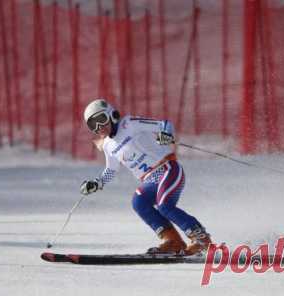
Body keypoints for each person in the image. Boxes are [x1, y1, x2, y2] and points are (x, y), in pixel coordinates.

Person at [80, 98, 212, 255]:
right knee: (139, 202)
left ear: (112, 114)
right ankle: (173, 242)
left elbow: (164, 124)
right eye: (92, 125)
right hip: (150, 180)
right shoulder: (108, 145)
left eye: (101, 119)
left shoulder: (129, 124)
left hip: (167, 169)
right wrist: (98, 182)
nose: (99, 127)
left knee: (165, 206)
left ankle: (202, 240)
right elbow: (111, 169)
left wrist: (166, 134)